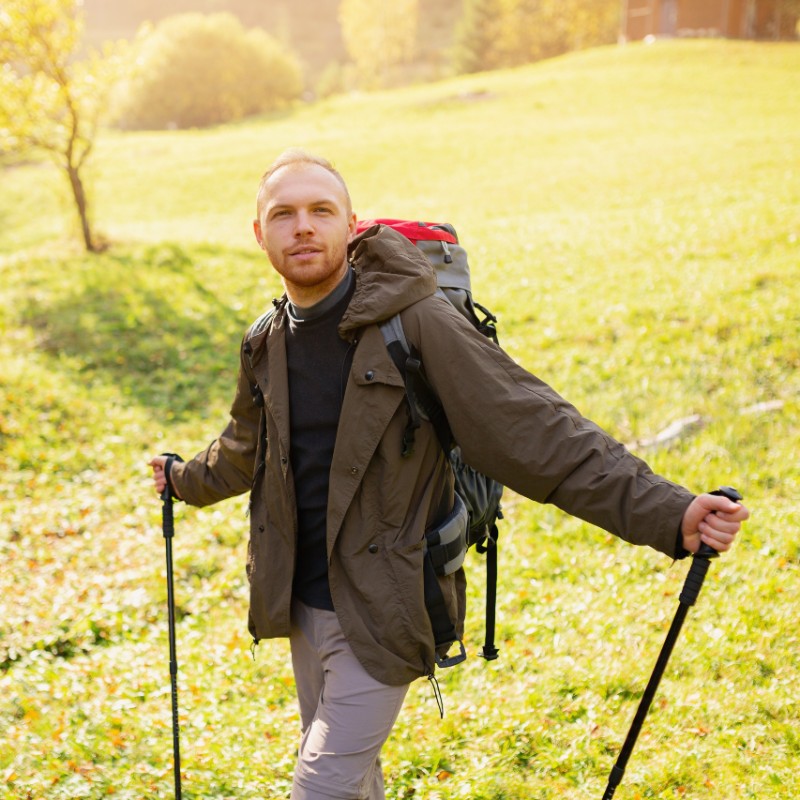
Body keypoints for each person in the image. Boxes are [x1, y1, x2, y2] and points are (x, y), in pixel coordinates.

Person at [149, 149, 749, 800]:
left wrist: (670, 512)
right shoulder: (266, 339)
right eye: (283, 214)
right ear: (258, 232)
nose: (303, 227)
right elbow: (244, 447)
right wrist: (183, 480)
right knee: (350, 784)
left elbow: (535, 430)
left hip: (385, 608)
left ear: (351, 225)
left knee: (319, 787)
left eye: (321, 211)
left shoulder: (415, 322)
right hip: (302, 608)